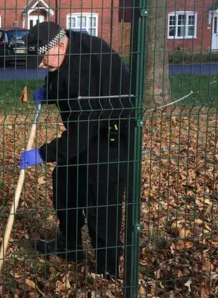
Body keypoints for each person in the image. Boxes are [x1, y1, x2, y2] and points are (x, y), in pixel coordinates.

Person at [19, 22, 135, 278]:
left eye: (42, 59)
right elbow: (60, 78)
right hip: (88, 129)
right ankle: (70, 245)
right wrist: (48, 93)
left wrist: (41, 154)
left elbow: (80, 136)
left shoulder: (85, 72)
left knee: (101, 205)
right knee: (65, 180)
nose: (40, 65)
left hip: (112, 139)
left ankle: (108, 267)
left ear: (60, 45)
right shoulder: (66, 47)